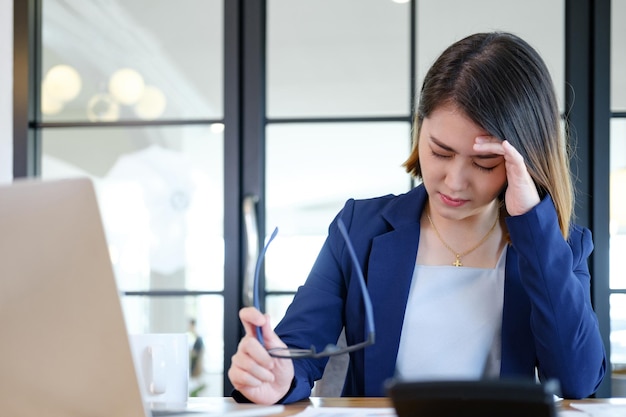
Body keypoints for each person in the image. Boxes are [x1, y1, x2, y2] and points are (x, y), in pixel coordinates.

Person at [227, 31, 607, 405]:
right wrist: (276, 375)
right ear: (419, 129)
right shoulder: (359, 227)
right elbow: (297, 349)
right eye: (440, 152)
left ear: (523, 158)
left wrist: (532, 224)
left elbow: (579, 380)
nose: (454, 182)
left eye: (484, 162)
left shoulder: (557, 245)